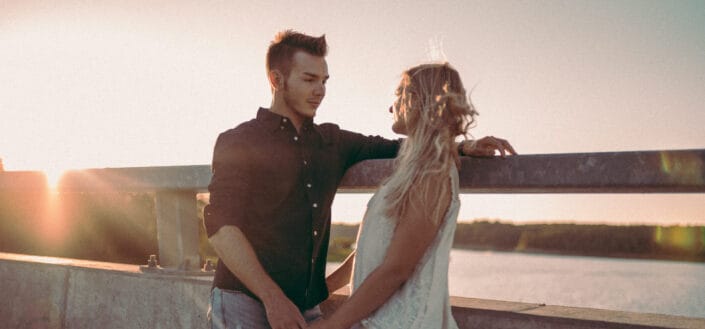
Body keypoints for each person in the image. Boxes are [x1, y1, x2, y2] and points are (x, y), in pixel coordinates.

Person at [203, 30, 515, 329]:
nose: (320, 90)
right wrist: (273, 298)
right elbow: (221, 227)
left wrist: (463, 145)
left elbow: (406, 145)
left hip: (305, 308)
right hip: (243, 301)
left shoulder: (334, 142)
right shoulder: (239, 141)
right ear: (276, 79)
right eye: (309, 79)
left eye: (324, 80)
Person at [312, 63, 486, 329]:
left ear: (416, 100)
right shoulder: (413, 167)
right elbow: (376, 251)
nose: (391, 107)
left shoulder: (433, 173)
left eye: (398, 94)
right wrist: (322, 293)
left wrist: (331, 325)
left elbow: (396, 269)